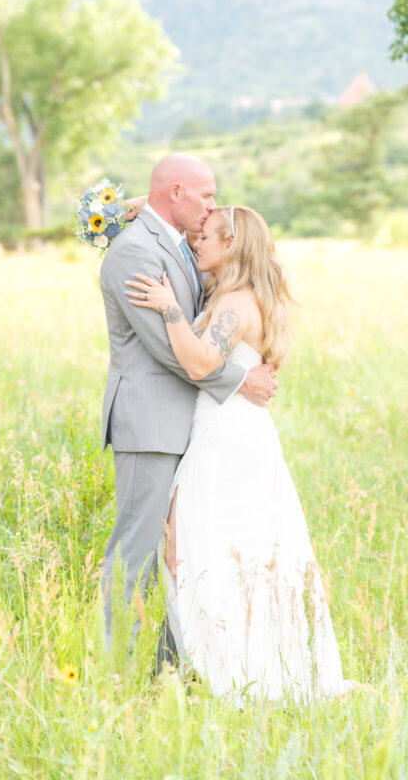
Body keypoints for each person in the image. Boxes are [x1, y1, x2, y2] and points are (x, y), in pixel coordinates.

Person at [126, 205, 353, 702]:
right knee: (221, 548)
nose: (196, 242)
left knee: (194, 547)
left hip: (227, 440)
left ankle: (227, 668)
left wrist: (169, 308)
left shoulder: (234, 303)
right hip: (234, 432)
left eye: (206, 237)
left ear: (231, 245)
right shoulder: (242, 297)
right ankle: (222, 661)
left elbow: (200, 362)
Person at [99, 155, 279, 651]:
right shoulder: (134, 251)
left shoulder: (181, 241)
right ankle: (117, 665)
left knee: (187, 550)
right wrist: (240, 380)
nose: (212, 205)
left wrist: (143, 203)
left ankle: (176, 662)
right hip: (151, 423)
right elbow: (167, 348)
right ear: (176, 192)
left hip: (193, 425)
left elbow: (230, 232)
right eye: (206, 195)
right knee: (136, 550)